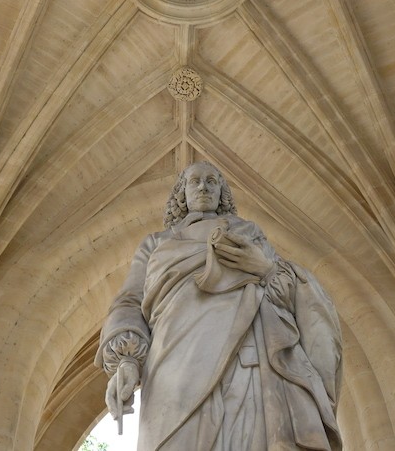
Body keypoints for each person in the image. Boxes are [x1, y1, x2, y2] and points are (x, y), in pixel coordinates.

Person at [96, 161, 342, 450]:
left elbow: (284, 295)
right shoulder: (156, 243)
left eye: (212, 181)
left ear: (222, 193)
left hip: (246, 358)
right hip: (175, 363)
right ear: (182, 193)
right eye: (195, 181)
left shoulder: (248, 233)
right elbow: (129, 302)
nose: (204, 187)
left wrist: (267, 269)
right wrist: (126, 359)